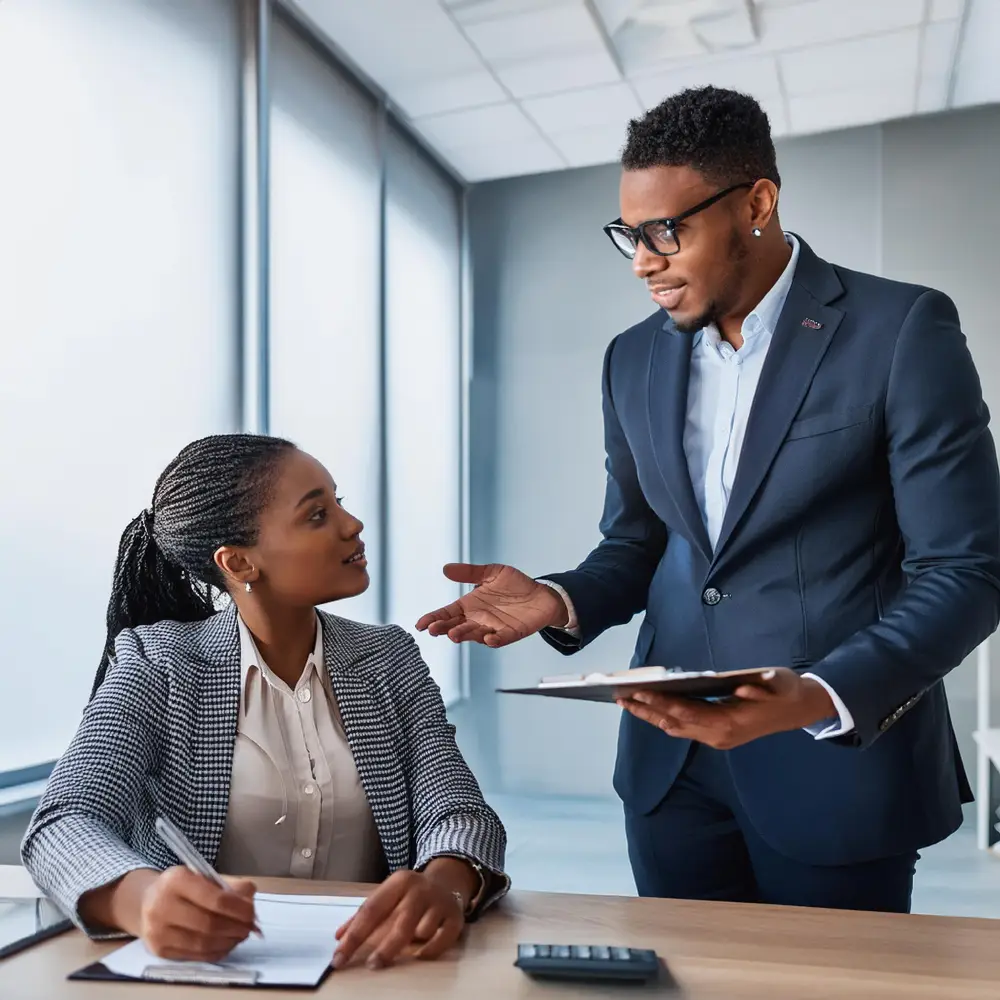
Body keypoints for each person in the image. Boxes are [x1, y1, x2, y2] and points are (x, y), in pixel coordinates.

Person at [416, 86, 1000, 913]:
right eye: (631, 234)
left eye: (666, 231)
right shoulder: (632, 359)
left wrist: (820, 693)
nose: (642, 260)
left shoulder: (900, 329)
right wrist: (557, 599)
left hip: (832, 763)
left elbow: (966, 571)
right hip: (671, 772)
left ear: (756, 203)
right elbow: (639, 545)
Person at [22, 434, 508, 968]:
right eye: (317, 515)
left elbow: (459, 810)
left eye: (339, 502)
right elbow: (64, 820)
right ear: (239, 562)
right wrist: (140, 901)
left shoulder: (388, 658)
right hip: (207, 970)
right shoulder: (157, 662)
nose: (352, 525)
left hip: (371, 967)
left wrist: (446, 882)